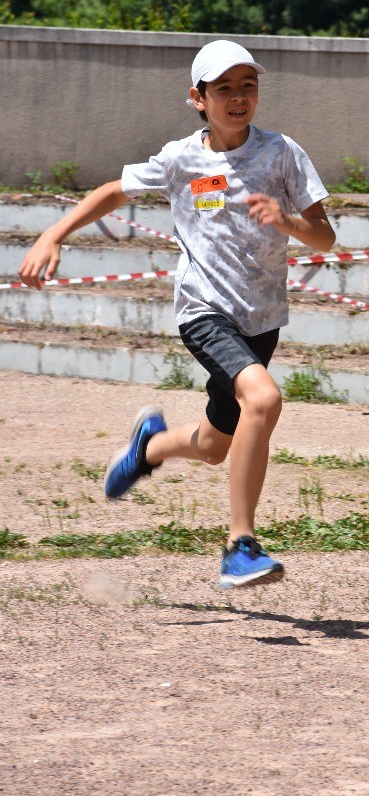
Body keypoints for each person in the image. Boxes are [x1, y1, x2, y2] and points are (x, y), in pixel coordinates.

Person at [18, 39, 336, 589]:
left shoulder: (282, 152)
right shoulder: (181, 159)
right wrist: (53, 234)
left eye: (248, 85)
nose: (238, 97)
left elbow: (325, 237)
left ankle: (149, 447)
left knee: (215, 446)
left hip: (261, 317)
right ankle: (240, 546)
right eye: (224, 88)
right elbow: (114, 192)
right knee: (263, 399)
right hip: (204, 312)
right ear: (198, 98)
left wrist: (287, 221)